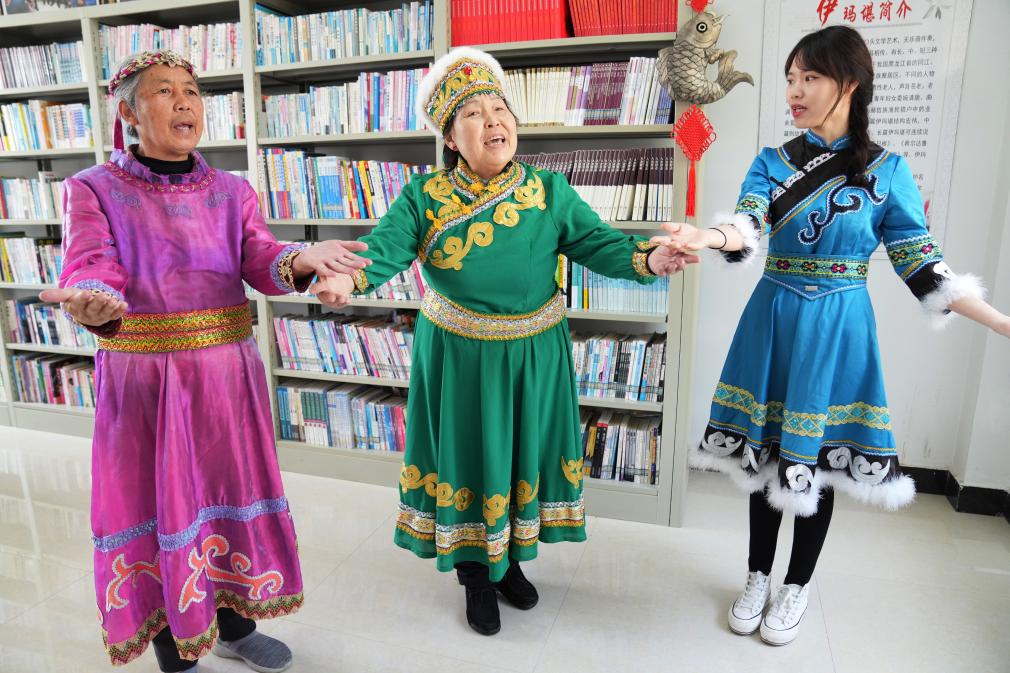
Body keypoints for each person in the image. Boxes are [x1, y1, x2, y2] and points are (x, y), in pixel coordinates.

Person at [309, 46, 698, 636]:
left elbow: (600, 243)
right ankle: (474, 573)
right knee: (469, 457)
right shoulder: (422, 197)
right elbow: (384, 248)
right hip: (459, 359)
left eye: (500, 109)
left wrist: (650, 257)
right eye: (473, 114)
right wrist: (347, 279)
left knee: (519, 456)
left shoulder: (548, 190)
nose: (493, 122)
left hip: (534, 355)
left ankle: (509, 560)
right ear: (450, 138)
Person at [663, 26, 1010, 646]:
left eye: (810, 78)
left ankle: (795, 585)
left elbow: (923, 266)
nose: (794, 91)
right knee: (765, 457)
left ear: (849, 83)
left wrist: (1003, 323)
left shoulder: (888, 171)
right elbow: (747, 225)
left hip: (840, 326)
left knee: (816, 463)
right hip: (773, 317)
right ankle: (757, 576)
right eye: (790, 79)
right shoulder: (772, 162)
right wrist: (710, 237)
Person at [40, 50, 370, 671]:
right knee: (161, 508)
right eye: (163, 91)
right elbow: (91, 264)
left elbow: (260, 259)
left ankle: (234, 626)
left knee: (227, 496)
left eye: (191, 90)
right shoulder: (92, 188)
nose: (184, 101)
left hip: (225, 380)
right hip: (146, 385)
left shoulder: (232, 190)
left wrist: (302, 259)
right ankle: (176, 648)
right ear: (129, 113)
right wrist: (92, 299)